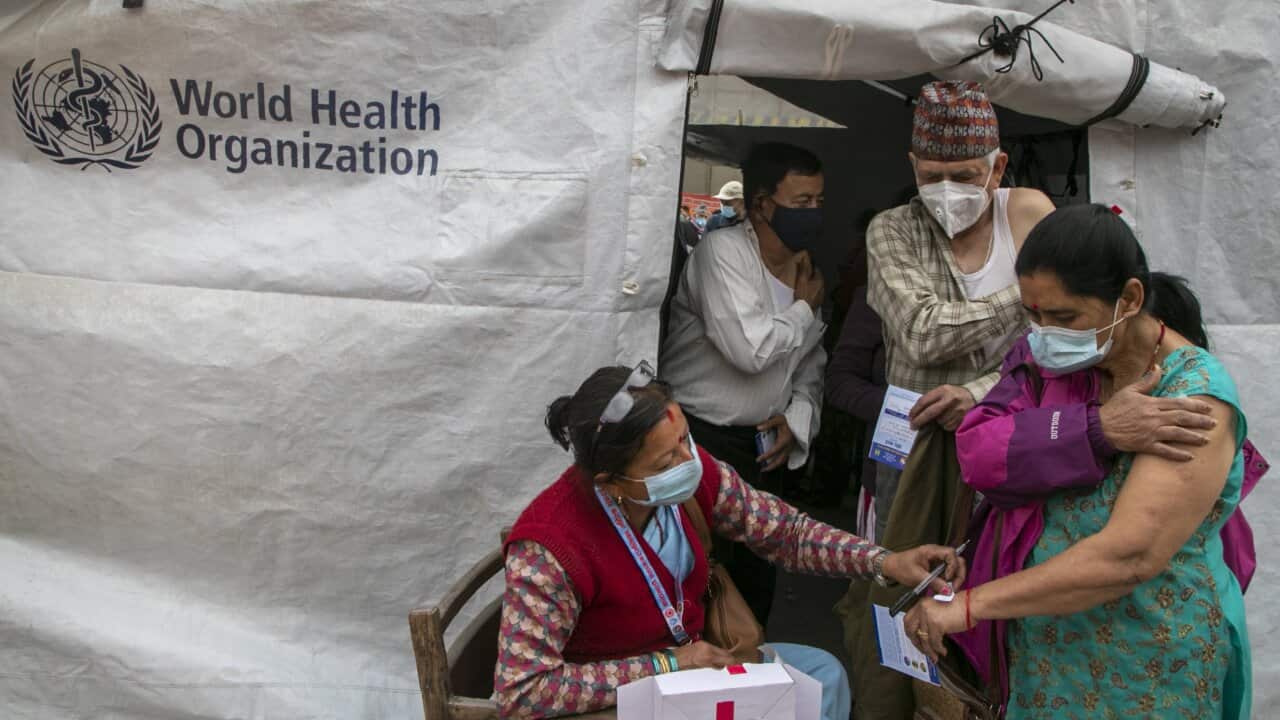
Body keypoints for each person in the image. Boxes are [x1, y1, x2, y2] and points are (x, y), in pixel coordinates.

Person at [904, 204, 1252, 719]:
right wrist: (1099, 428)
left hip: (1149, 660)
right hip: (1047, 650)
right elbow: (979, 453)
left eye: (1064, 317)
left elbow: (1129, 556)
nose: (1043, 332)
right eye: (1034, 315)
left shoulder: (1193, 396)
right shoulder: (1053, 363)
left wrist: (971, 607)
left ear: (1129, 299)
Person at [494, 363, 966, 720]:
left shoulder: (688, 473)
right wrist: (666, 664)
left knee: (822, 677)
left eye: (684, 439)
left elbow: (787, 534)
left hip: (698, 667)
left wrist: (885, 562)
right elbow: (523, 689)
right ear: (611, 482)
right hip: (621, 703)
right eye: (665, 462)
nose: (688, 460)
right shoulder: (550, 549)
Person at [863, 79, 1056, 541]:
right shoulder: (893, 230)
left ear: (998, 167)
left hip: (1011, 430)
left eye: (966, 176)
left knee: (1002, 561)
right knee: (906, 567)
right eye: (932, 177)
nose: (947, 191)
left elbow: (1060, 338)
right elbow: (922, 333)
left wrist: (980, 391)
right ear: (913, 167)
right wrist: (1033, 293)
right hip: (914, 439)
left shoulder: (1029, 214)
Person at [660, 142, 828, 625]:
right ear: (760, 204)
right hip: (700, 441)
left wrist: (795, 420)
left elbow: (813, 360)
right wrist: (804, 306)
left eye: (819, 201)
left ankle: (746, 686)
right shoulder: (723, 253)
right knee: (698, 582)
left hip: (763, 448)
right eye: (801, 203)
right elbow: (751, 351)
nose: (814, 214)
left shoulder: (804, 268)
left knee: (754, 586)